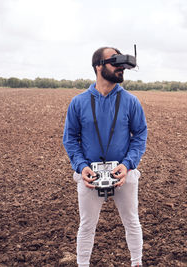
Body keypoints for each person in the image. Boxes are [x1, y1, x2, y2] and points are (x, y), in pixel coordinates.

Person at [63, 46, 147, 267]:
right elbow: (70, 138)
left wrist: (128, 165)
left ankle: (136, 262)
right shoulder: (78, 102)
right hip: (89, 175)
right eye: (114, 62)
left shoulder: (131, 101)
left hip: (124, 173)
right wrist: (81, 167)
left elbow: (140, 134)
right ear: (98, 66)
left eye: (122, 64)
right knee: (87, 225)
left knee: (132, 222)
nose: (120, 68)